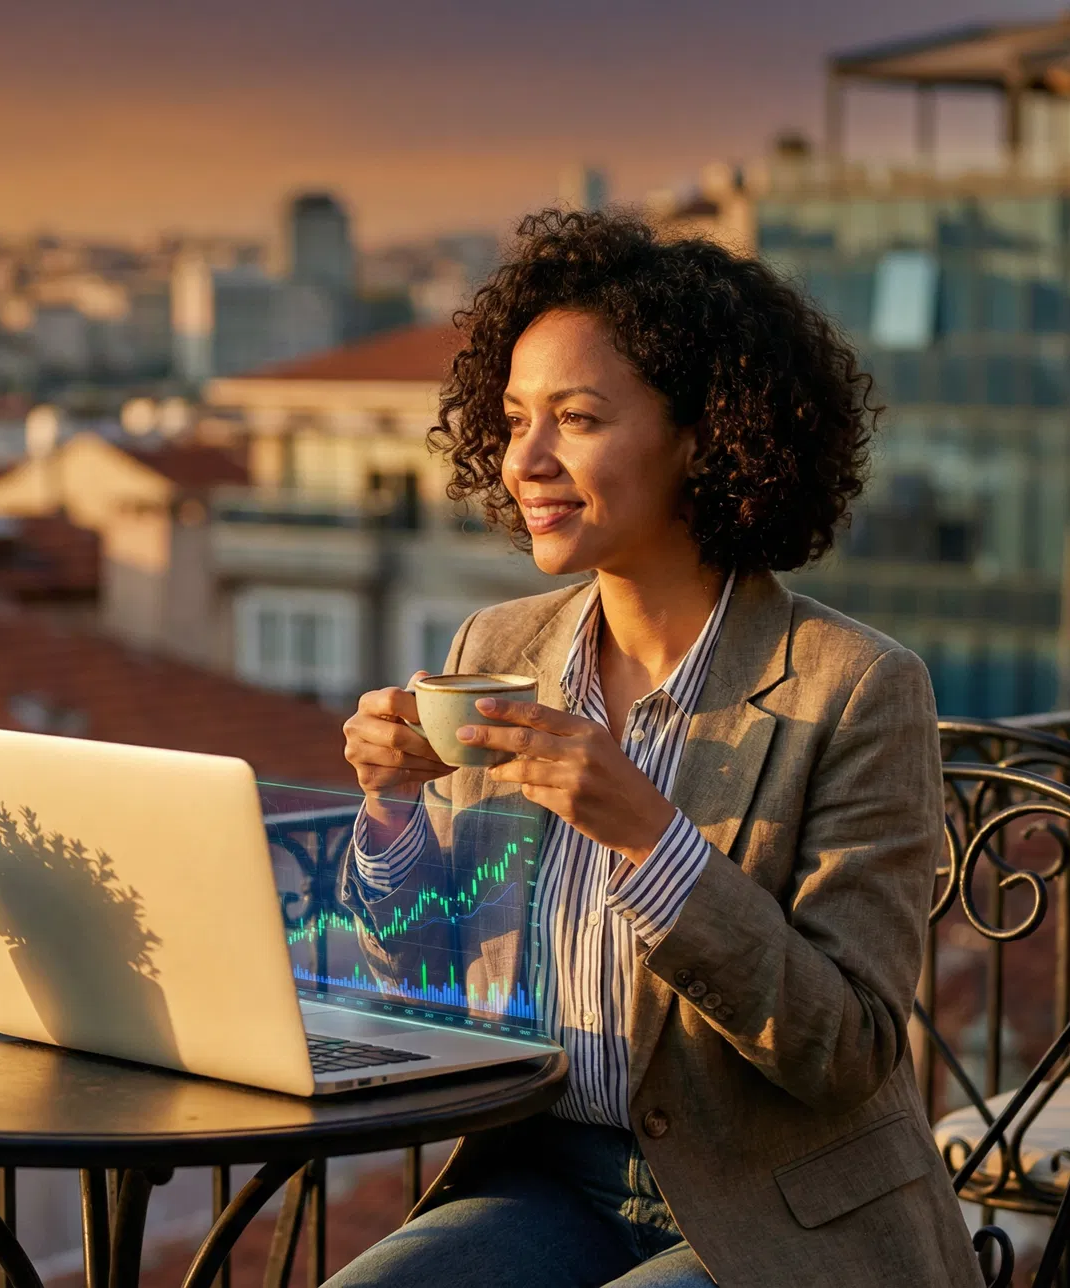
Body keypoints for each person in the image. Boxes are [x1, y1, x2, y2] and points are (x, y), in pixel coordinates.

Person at [329, 210, 981, 1288]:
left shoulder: (857, 687)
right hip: (542, 1182)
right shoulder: (494, 651)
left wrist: (651, 840)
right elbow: (423, 973)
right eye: (514, 418)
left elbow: (849, 1048)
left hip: (779, 1212)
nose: (526, 459)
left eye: (576, 419)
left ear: (702, 434)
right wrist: (391, 809)